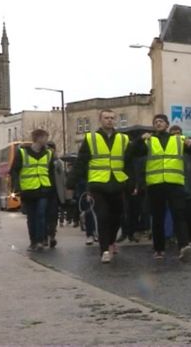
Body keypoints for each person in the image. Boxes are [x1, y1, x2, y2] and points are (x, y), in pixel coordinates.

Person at [67, 109, 132, 264]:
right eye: (106, 118)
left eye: (112, 118)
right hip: (98, 184)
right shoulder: (91, 138)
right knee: (102, 217)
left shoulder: (123, 139)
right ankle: (104, 250)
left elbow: (129, 163)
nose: (109, 120)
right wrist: (70, 184)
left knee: (118, 216)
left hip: (117, 183)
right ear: (100, 120)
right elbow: (81, 163)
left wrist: (132, 182)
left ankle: (110, 241)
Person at [132, 114, 191, 261]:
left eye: (161, 121)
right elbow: (133, 152)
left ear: (167, 124)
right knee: (157, 218)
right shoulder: (149, 141)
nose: (158, 123)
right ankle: (159, 249)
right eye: (155, 122)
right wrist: (140, 139)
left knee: (179, 215)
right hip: (155, 184)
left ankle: (183, 246)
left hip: (175, 183)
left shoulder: (178, 139)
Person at [11, 129, 55, 252]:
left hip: (44, 188)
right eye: (45, 137)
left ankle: (40, 241)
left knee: (41, 214)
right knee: (32, 217)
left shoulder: (49, 154)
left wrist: (52, 188)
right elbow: (14, 170)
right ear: (38, 138)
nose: (47, 140)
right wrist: (17, 187)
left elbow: (51, 172)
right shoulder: (22, 153)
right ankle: (33, 241)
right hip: (28, 189)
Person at [45, 141, 67, 248]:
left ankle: (52, 236)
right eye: (48, 148)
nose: (50, 150)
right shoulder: (43, 161)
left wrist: (64, 196)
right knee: (44, 215)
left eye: (51, 148)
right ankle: (45, 236)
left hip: (54, 192)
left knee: (53, 215)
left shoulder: (58, 162)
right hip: (44, 192)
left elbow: (62, 179)